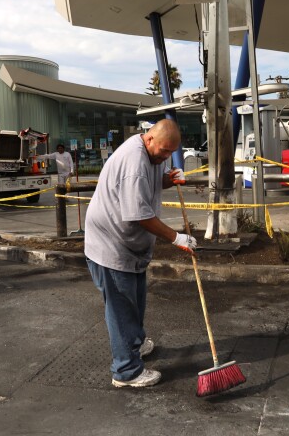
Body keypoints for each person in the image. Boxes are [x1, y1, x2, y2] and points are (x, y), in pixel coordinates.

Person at [84, 119, 195, 388]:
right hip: (111, 245)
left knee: (135, 301)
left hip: (127, 246)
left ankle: (134, 344)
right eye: (164, 151)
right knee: (122, 308)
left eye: (171, 153)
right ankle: (126, 370)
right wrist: (175, 237)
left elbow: (150, 181)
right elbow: (137, 215)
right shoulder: (135, 162)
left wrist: (167, 180)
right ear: (149, 139)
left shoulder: (147, 154)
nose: (166, 157)